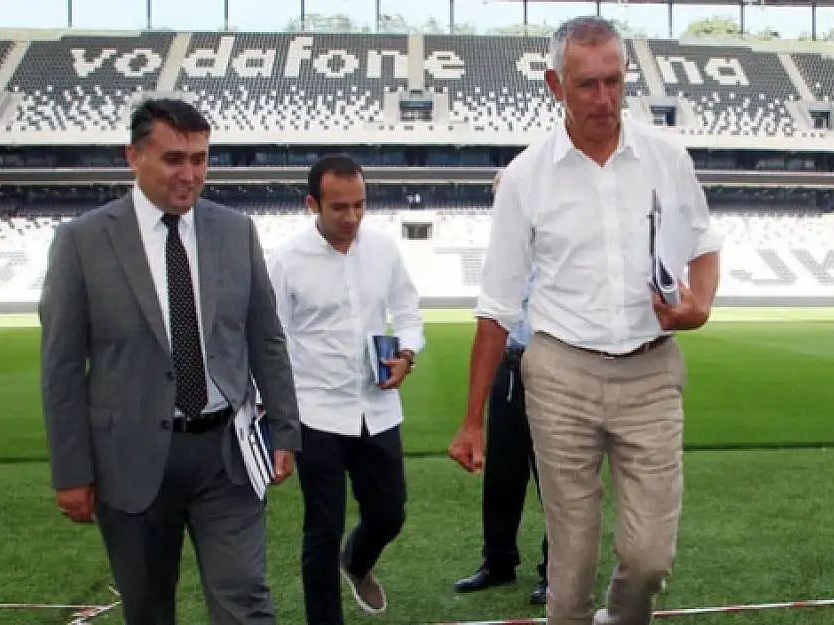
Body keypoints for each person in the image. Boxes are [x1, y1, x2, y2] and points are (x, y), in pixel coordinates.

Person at [447, 16, 722, 625]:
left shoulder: (667, 158)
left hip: (651, 374)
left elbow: (703, 244)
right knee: (569, 568)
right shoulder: (524, 178)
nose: (603, 99)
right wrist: (472, 420)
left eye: (613, 81)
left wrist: (698, 304)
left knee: (650, 557)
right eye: (585, 85)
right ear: (555, 85)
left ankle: (620, 617)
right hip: (561, 374)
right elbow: (495, 307)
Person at [38, 98, 301, 625]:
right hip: (130, 461)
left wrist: (286, 431)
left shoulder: (235, 231)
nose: (191, 174)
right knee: (150, 609)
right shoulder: (82, 241)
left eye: (200, 159)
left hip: (227, 452)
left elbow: (265, 337)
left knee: (245, 602)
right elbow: (62, 368)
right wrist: (71, 471)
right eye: (174, 159)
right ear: (133, 156)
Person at [266, 154, 425, 624]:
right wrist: (278, 422)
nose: (352, 217)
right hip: (317, 414)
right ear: (312, 203)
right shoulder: (286, 260)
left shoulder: (383, 249)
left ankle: (356, 562)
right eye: (339, 207)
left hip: (377, 408)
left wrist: (407, 355)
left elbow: (408, 309)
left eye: (360, 204)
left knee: (390, 514)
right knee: (322, 528)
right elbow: (272, 341)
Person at [454, 172, 549, 605]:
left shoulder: (555, 247)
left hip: (553, 369)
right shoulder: (502, 254)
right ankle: (498, 562)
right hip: (509, 367)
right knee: (502, 475)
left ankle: (556, 569)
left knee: (556, 477)